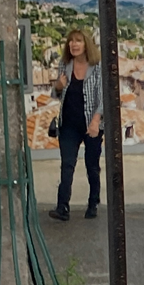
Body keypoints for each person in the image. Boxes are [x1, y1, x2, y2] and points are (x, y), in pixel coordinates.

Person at [49, 29, 104, 221]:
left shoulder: (97, 67)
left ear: (86, 44)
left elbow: (103, 97)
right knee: (67, 165)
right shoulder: (65, 65)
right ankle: (62, 207)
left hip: (91, 124)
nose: (74, 44)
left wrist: (96, 121)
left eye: (78, 41)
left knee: (92, 166)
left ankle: (93, 202)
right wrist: (57, 87)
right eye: (71, 41)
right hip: (69, 125)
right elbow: (56, 95)